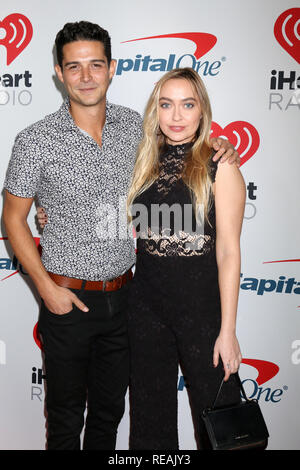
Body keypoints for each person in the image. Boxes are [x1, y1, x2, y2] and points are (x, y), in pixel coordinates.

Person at [3, 20, 240, 450]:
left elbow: (185, 147)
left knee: (110, 417)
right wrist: (45, 289)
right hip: (66, 301)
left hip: (128, 301)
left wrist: (221, 147)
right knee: (64, 421)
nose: (87, 76)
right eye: (75, 67)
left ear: (112, 68)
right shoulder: (33, 141)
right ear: (59, 72)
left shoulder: (139, 130)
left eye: (96, 64)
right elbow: (12, 218)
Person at [126, 67, 246, 450]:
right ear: (155, 111)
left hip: (201, 312)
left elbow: (228, 252)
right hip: (145, 309)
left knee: (220, 424)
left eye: (187, 104)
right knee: (149, 420)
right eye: (166, 104)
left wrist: (227, 330)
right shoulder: (143, 162)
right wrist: (47, 216)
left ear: (201, 111)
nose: (176, 116)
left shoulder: (220, 164)